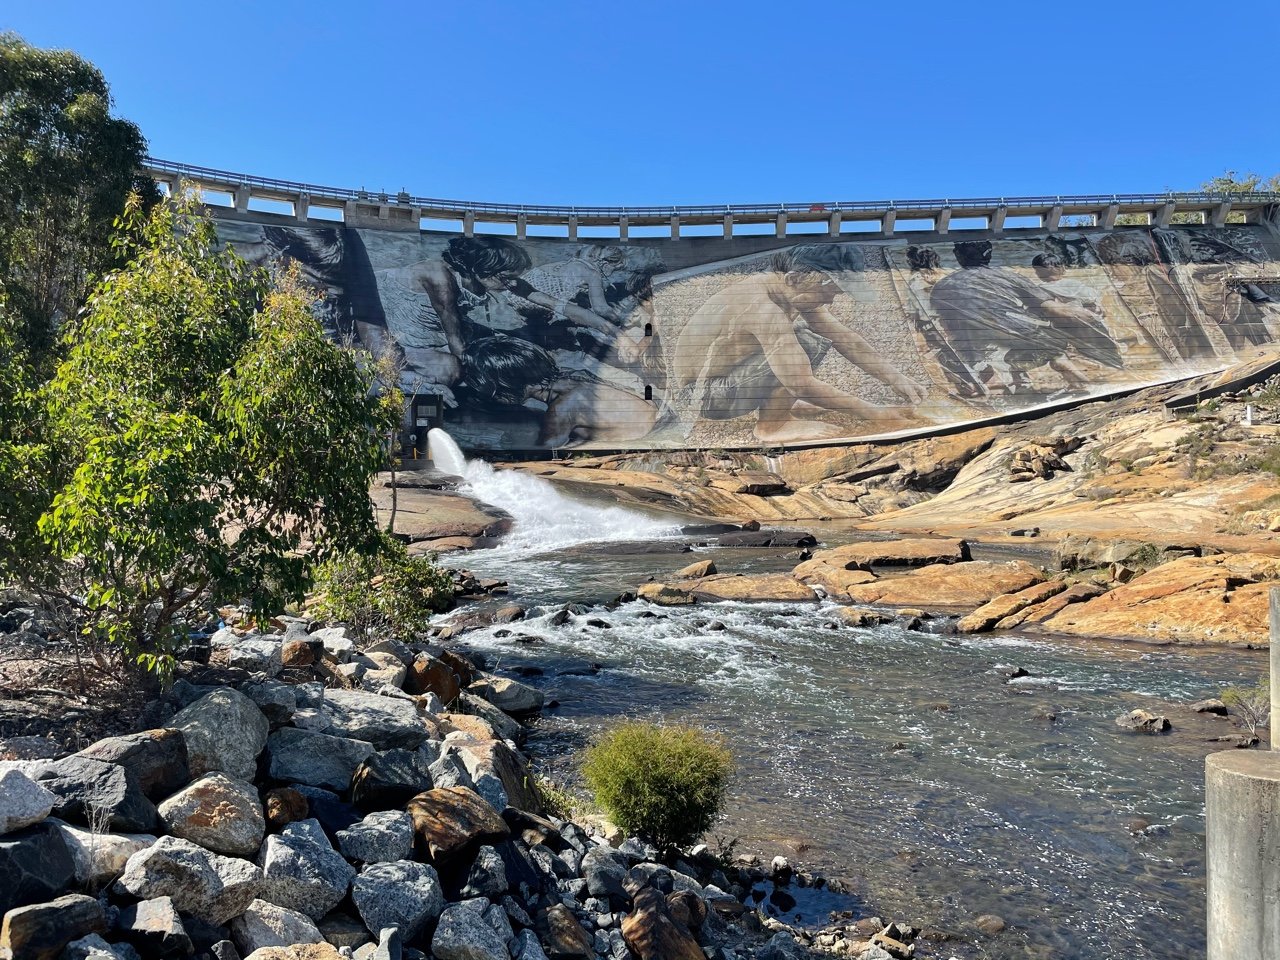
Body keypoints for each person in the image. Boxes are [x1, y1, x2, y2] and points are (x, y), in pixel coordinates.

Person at [670, 243, 927, 443]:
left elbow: (845, 338)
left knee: (802, 338)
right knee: (804, 343)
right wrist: (874, 413)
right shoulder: (760, 307)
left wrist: (895, 378)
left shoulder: (787, 291)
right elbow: (800, 383)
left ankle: (777, 404)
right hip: (705, 398)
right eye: (827, 293)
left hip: (721, 384)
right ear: (794, 278)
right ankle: (774, 424)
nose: (829, 302)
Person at [928, 240, 1122, 394]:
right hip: (1022, 337)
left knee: (997, 360)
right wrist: (1089, 319)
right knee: (1055, 352)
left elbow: (944, 325)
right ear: (989, 255)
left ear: (957, 256)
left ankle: (1006, 388)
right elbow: (1054, 309)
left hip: (974, 350)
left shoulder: (940, 287)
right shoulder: (1007, 277)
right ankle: (1086, 387)